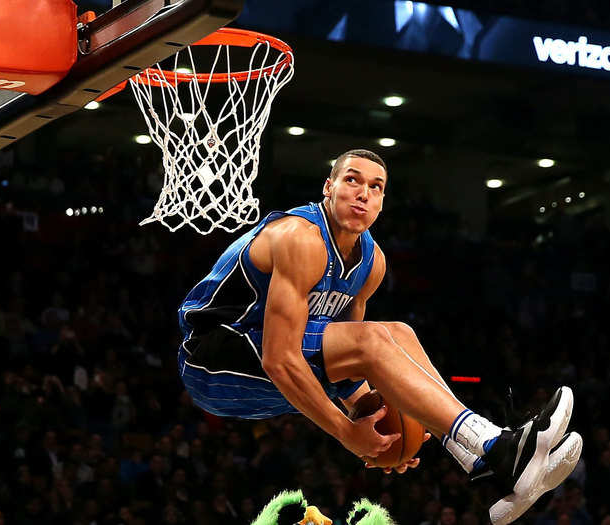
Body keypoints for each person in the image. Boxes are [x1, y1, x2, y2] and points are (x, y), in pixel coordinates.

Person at [177, 149, 582, 524]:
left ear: (383, 202)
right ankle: (498, 446)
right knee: (372, 340)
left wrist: (380, 425)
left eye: (376, 187)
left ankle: (481, 461)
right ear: (328, 187)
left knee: (397, 333)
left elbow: (347, 364)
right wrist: (344, 431)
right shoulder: (300, 237)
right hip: (213, 356)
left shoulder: (372, 263)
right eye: (352, 180)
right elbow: (279, 358)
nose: (363, 193)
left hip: (268, 359)